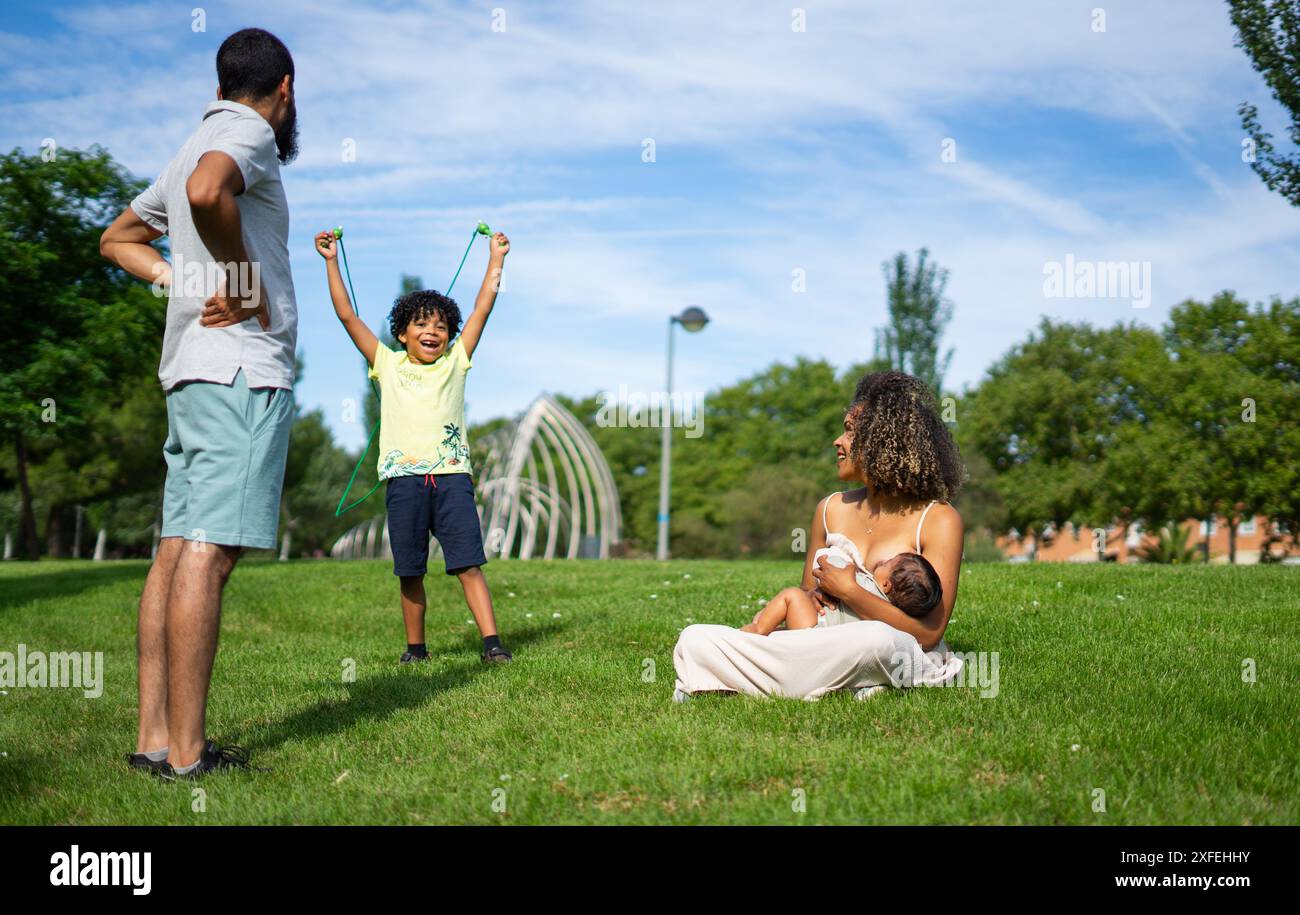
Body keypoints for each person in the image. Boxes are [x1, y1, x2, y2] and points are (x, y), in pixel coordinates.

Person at [99, 28, 300, 777]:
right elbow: (205, 192)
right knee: (209, 555)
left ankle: (155, 739)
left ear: (216, 90)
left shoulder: (193, 139)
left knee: (177, 550)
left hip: (189, 373)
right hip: (240, 376)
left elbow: (117, 238)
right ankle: (188, 757)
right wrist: (243, 283)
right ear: (285, 88)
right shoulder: (249, 136)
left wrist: (179, 282)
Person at [673, 371, 966, 700]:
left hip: (890, 646)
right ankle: (839, 682)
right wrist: (809, 600)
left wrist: (851, 592)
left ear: (884, 441)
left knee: (876, 641)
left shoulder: (938, 519)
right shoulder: (829, 509)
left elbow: (928, 633)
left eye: (850, 432)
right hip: (822, 645)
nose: (837, 442)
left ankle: (767, 680)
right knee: (695, 638)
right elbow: (808, 600)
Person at [315, 226, 513, 664]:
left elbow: (485, 304)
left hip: (452, 481)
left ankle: (492, 645)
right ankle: (415, 650)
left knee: (468, 564)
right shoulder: (385, 362)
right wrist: (331, 260)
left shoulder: (457, 361)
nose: (433, 332)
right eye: (421, 324)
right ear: (401, 334)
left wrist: (496, 258)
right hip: (404, 483)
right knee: (410, 570)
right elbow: (347, 316)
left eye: (441, 326)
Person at [740, 549, 942, 635]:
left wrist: (846, 563)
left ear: (887, 585)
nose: (881, 562)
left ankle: (758, 630)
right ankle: (768, 628)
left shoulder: (863, 583)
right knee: (780, 624)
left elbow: (829, 565)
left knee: (792, 595)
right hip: (826, 647)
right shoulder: (887, 616)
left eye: (887, 563)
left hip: (813, 629)